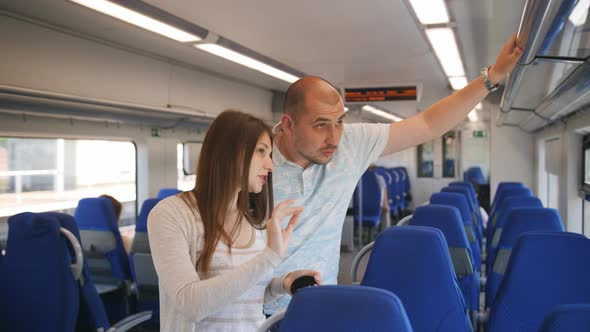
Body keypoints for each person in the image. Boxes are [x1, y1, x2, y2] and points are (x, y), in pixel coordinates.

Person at [264, 34, 523, 316]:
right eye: (321, 125)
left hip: (322, 306)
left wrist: (492, 76)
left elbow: (427, 124)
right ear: (288, 124)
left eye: (340, 121)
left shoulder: (351, 144)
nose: (334, 137)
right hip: (255, 313)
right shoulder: (253, 163)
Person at [148, 110, 321, 331]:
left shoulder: (250, 219)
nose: (271, 165)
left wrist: (282, 284)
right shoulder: (171, 214)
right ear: (228, 153)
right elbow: (189, 305)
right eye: (261, 152)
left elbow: (245, 296)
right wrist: (270, 256)